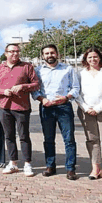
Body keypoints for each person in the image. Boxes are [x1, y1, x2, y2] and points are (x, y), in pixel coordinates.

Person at [0, 43, 40, 177]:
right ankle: (13, 163)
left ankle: (27, 164)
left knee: (24, 136)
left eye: (17, 51)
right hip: (5, 107)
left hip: (22, 108)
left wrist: (23, 86)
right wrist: (2, 91)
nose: (15, 54)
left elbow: (36, 84)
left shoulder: (27, 66)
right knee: (9, 136)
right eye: (12, 51)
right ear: (6, 53)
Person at [32, 44, 80, 180]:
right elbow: (35, 90)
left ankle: (70, 168)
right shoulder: (38, 70)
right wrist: (42, 99)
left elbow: (75, 88)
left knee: (69, 138)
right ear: (42, 56)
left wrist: (66, 97)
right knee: (48, 139)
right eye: (46, 53)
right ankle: (50, 166)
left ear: (57, 54)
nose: (49, 55)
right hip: (46, 107)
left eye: (52, 53)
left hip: (64, 107)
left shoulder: (68, 69)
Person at [75, 47, 102, 180]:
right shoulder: (80, 74)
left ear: (100, 57)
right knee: (92, 139)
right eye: (90, 57)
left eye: (95, 57)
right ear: (85, 59)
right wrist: (86, 108)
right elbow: (77, 93)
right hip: (86, 111)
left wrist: (99, 108)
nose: (93, 59)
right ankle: (96, 168)